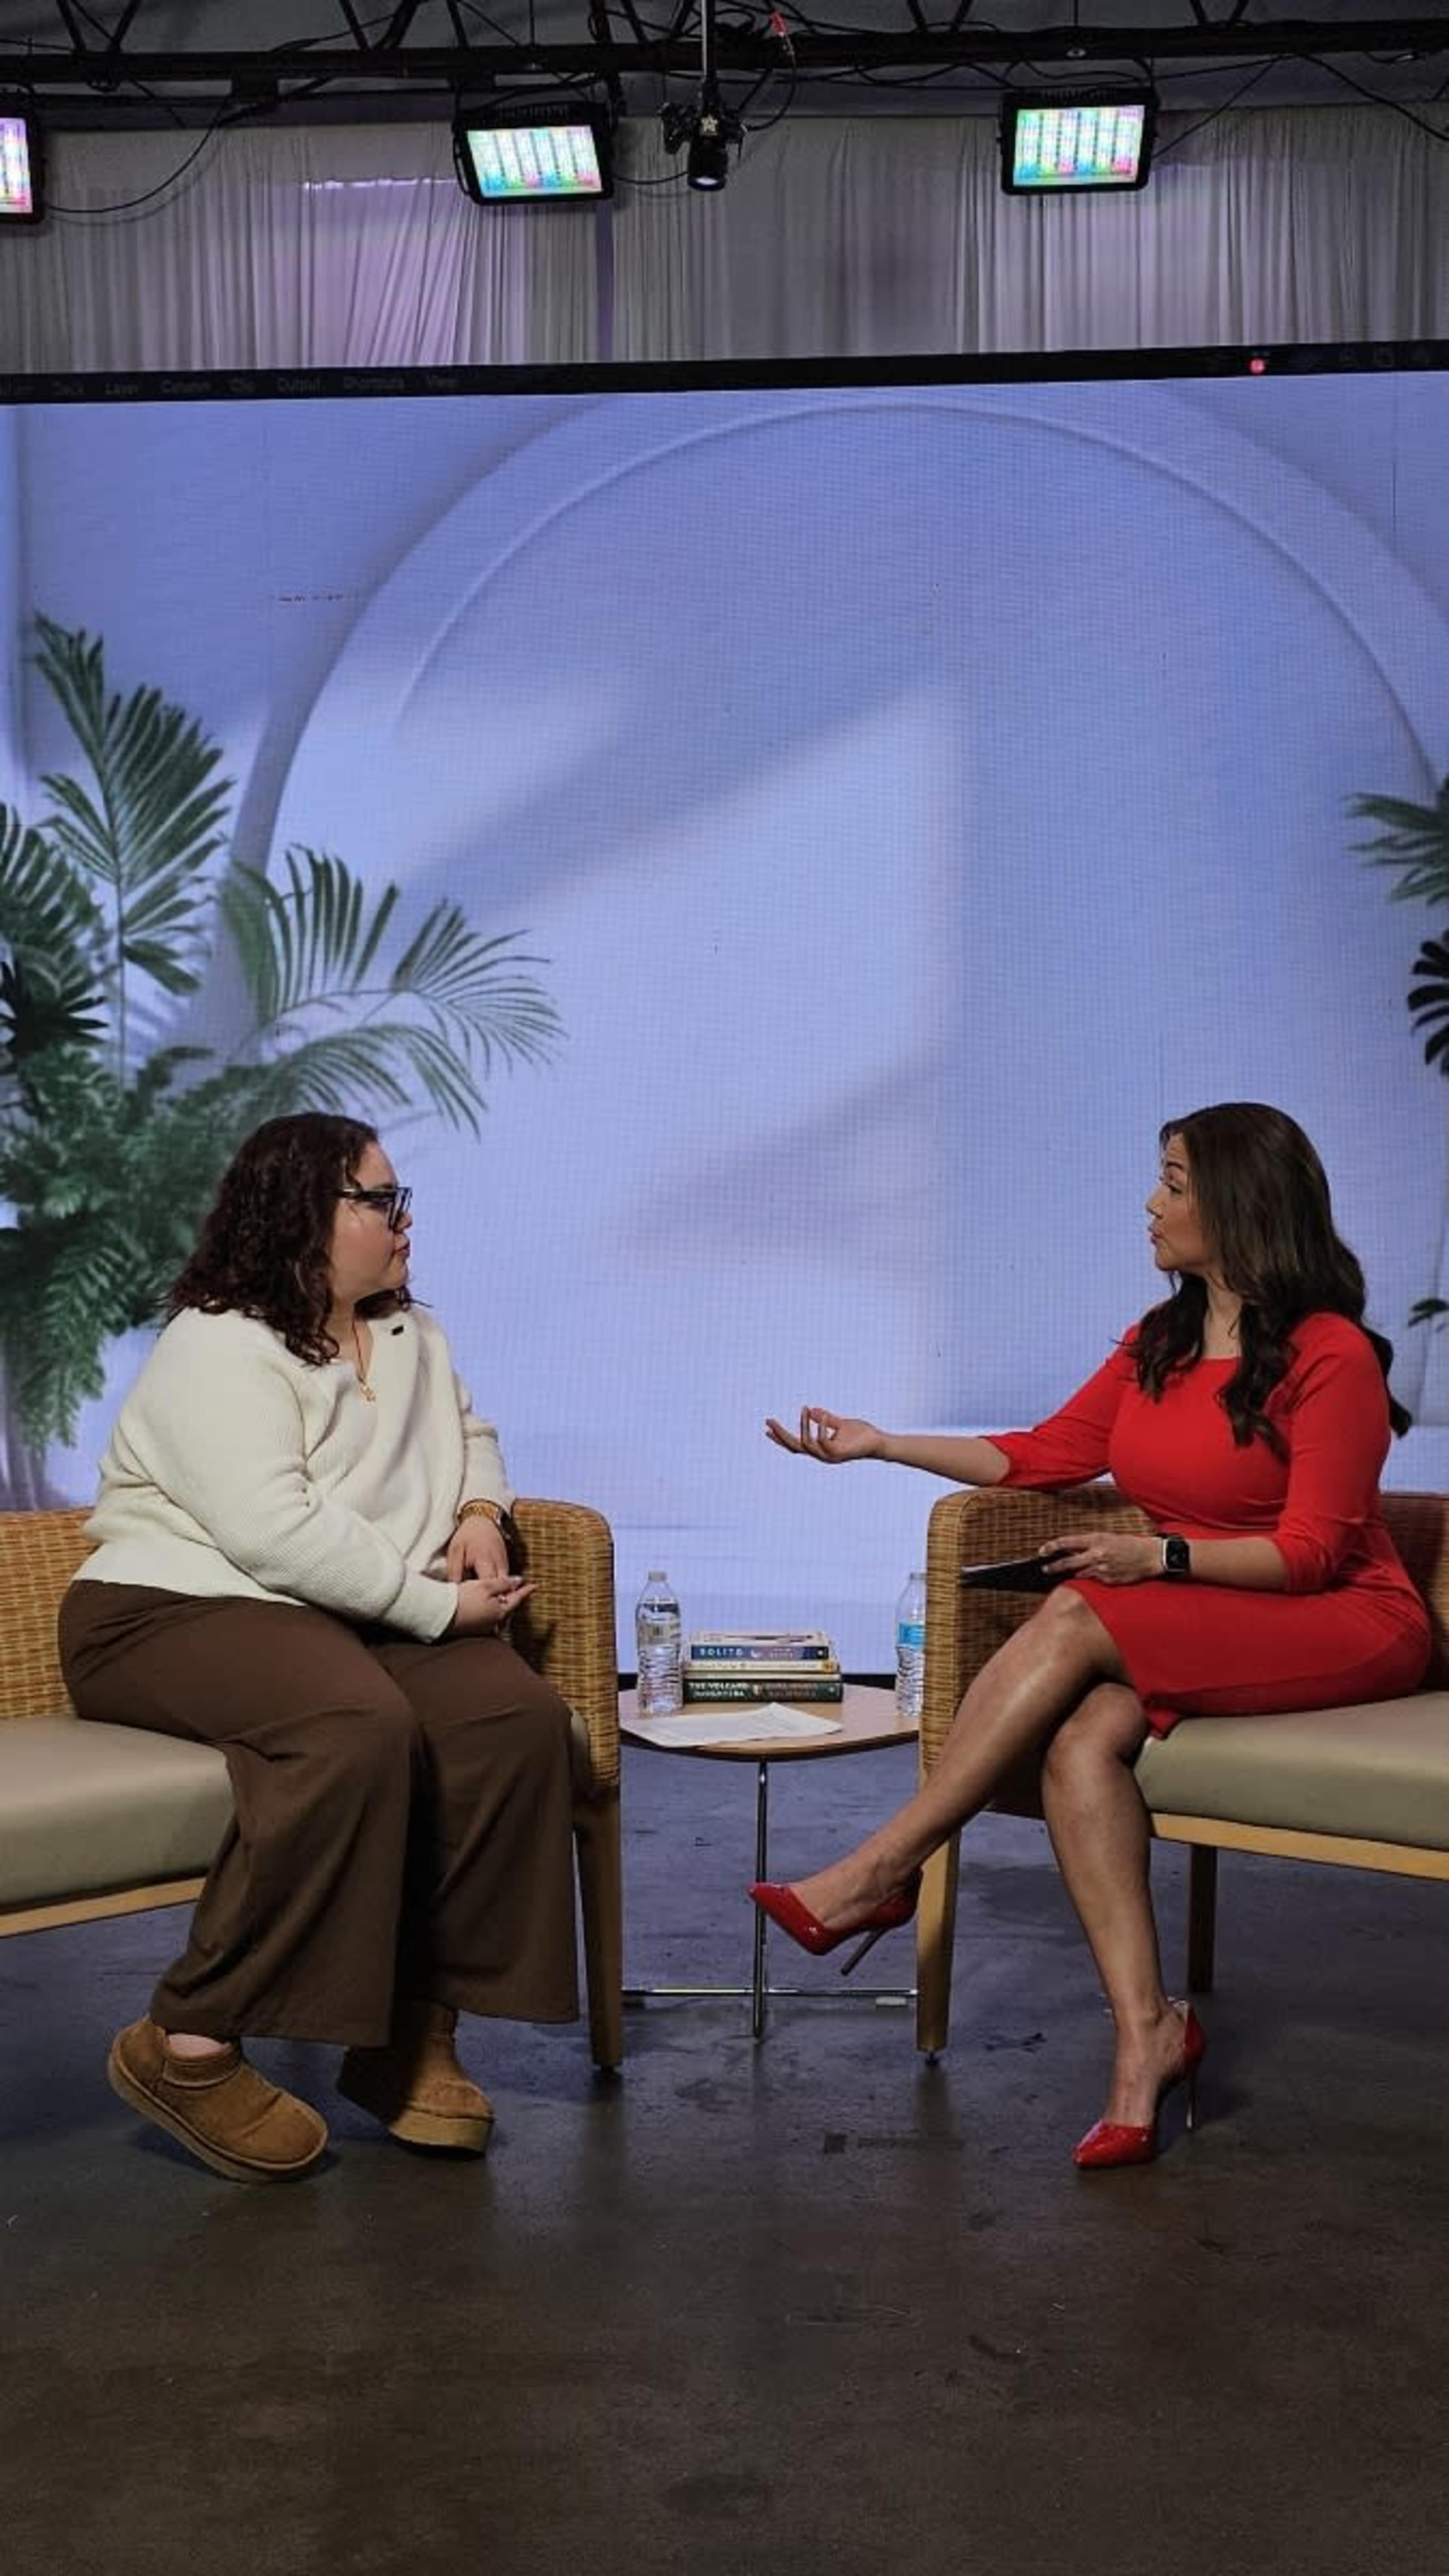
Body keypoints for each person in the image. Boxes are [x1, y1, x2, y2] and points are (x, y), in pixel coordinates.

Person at [757, 1102, 1431, 2168]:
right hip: (1219, 1611)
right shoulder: (1159, 1340)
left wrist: (1154, 1560)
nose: (1151, 1205)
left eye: (1172, 1183)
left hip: (1344, 1618)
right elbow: (1047, 1451)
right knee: (1079, 1747)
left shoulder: (1330, 1353)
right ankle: (1147, 2037)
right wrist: (881, 1444)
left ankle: (885, 1863)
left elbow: (1310, 1554)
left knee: (1077, 1605)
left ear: (1238, 1204)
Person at [58, 1112, 578, 2184]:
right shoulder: (220, 1342)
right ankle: (189, 2043)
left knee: (515, 1719)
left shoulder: (408, 1330)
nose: (404, 1221)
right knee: (352, 1724)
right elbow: (271, 1531)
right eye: (380, 1201)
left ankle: (410, 2036)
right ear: (306, 1213)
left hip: (329, 1610)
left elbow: (466, 1427)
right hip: (167, 1608)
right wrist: (433, 1611)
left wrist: (481, 1506)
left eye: (401, 1199)